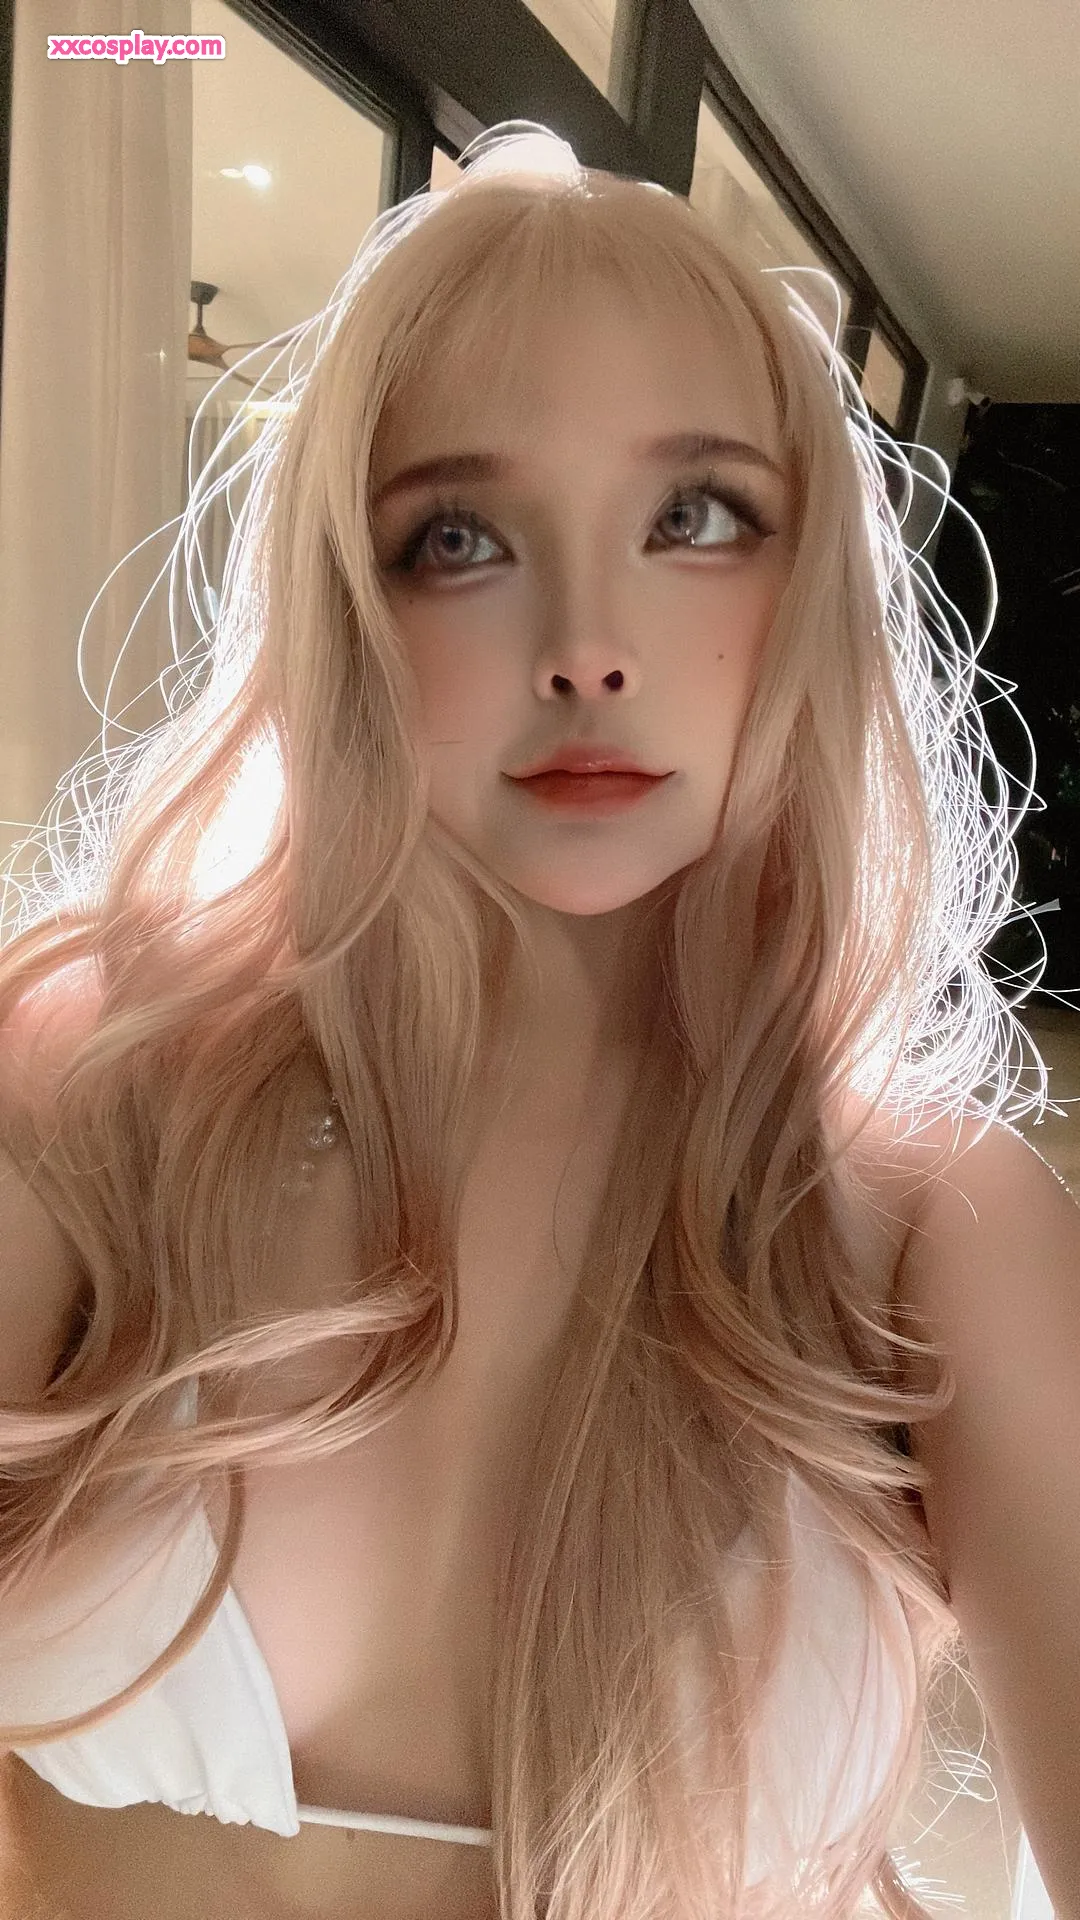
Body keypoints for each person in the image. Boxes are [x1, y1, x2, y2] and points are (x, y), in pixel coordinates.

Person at [0, 122, 1076, 1920]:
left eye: (694, 517)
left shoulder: (927, 1233)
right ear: (346, 598)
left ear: (810, 581)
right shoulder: (89, 1094)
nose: (587, 645)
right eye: (461, 537)